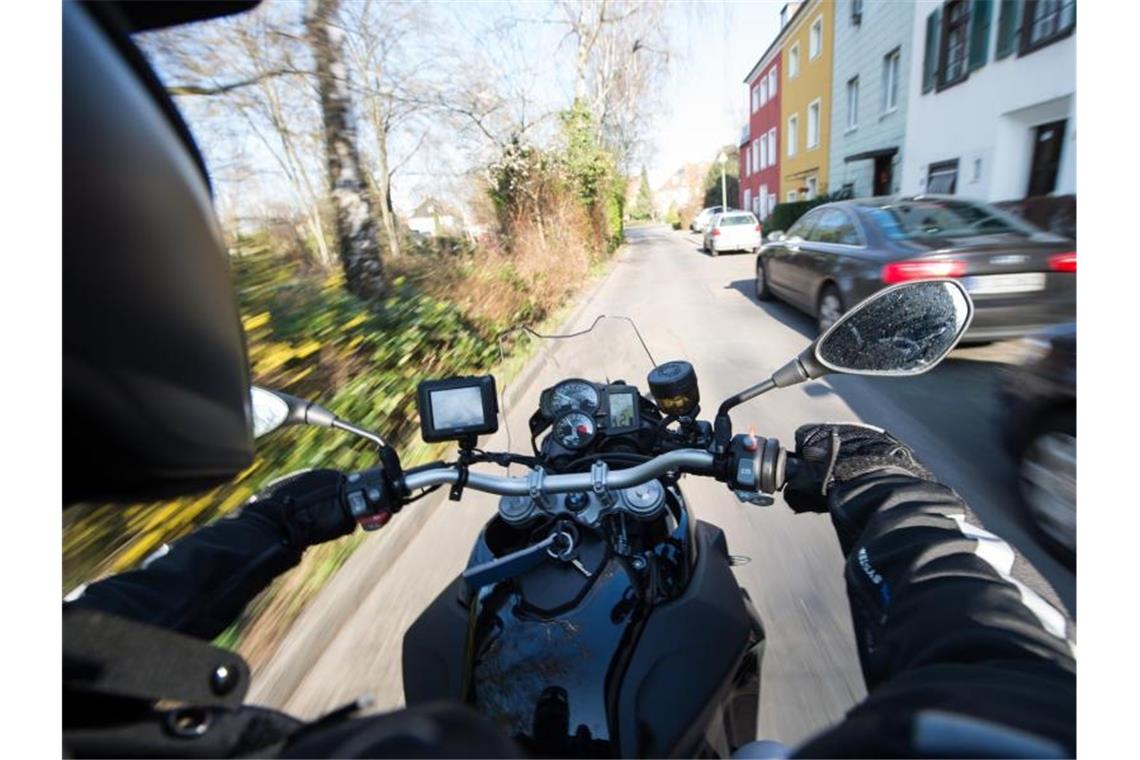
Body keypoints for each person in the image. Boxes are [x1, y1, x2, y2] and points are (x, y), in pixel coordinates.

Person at [63, 2, 1074, 757]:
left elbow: (118, 622)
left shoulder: (81, 692)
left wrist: (292, 516)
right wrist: (876, 473)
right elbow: (1015, 685)